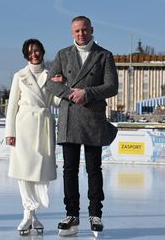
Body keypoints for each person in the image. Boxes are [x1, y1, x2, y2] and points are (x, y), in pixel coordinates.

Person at [45, 16, 118, 237]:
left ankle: (96, 214)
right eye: (76, 31)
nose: (80, 34)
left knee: (94, 169)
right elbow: (49, 83)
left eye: (84, 30)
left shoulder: (104, 55)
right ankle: (71, 214)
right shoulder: (63, 54)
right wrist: (70, 93)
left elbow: (112, 86)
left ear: (91, 30)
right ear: (72, 33)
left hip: (93, 118)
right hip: (69, 118)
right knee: (70, 170)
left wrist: (87, 93)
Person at [5, 39, 60, 236]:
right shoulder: (19, 76)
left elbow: (55, 101)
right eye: (30, 52)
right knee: (23, 172)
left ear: (42, 52)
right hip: (24, 127)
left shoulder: (51, 74)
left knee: (39, 173)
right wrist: (9, 132)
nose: (34, 55)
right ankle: (28, 213)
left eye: (36, 51)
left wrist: (61, 85)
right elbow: (12, 106)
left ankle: (32, 214)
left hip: (43, 126)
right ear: (26, 55)